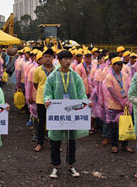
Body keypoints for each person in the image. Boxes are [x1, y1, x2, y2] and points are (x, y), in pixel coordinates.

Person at [43, 50, 89, 179]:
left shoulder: (75, 76)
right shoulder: (52, 76)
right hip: (57, 112)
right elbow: (47, 92)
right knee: (55, 141)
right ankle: (55, 166)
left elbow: (81, 93)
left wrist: (85, 102)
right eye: (65, 59)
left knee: (71, 141)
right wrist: (47, 100)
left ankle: (70, 165)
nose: (68, 61)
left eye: (70, 59)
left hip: (72, 113)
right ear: (59, 60)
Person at [104, 57, 134, 153]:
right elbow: (111, 91)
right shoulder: (109, 77)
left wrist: (128, 101)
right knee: (114, 126)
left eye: (121, 65)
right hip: (114, 105)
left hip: (125, 105)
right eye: (118, 64)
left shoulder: (125, 75)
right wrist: (121, 103)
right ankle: (114, 145)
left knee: (126, 124)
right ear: (113, 66)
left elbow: (129, 88)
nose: (120, 67)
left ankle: (125, 145)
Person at [33, 48, 55, 152]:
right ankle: (40, 143)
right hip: (41, 100)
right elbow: (35, 84)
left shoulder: (57, 70)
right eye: (45, 57)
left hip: (54, 100)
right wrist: (42, 92)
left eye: (49, 57)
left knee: (53, 122)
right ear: (42, 58)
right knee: (41, 122)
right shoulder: (38, 70)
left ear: (53, 58)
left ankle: (54, 143)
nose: (47, 59)